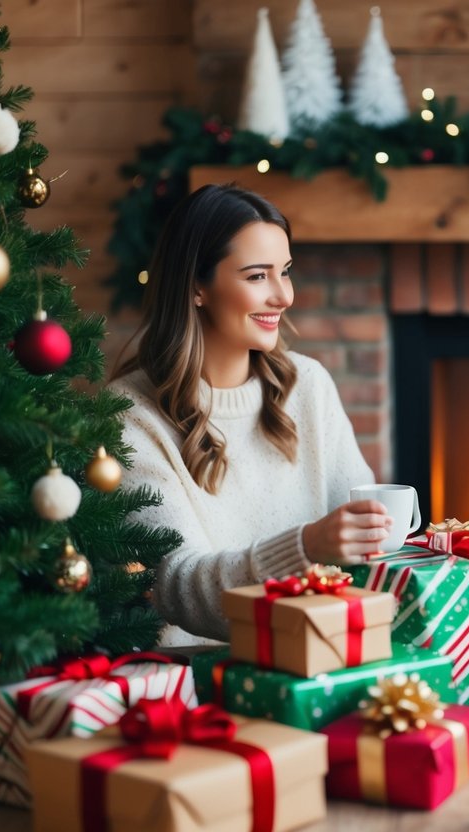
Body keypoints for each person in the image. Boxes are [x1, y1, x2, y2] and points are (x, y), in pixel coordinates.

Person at [109, 184, 392, 646]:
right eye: (258, 276)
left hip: (320, 661)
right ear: (197, 287)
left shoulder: (309, 386)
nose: (284, 296)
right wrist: (305, 548)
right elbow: (177, 586)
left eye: (286, 272)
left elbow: (364, 531)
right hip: (199, 682)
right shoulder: (132, 418)